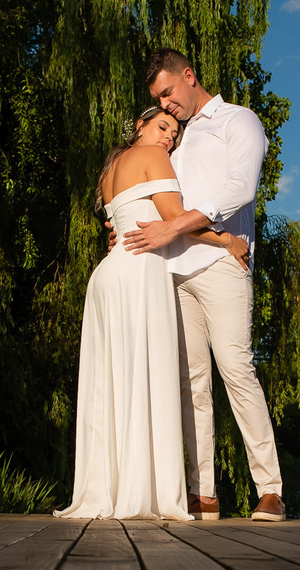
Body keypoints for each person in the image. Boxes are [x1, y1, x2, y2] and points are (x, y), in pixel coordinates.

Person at [56, 107, 248, 520]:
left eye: (175, 135)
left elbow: (128, 220)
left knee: (115, 386)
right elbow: (176, 220)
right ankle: (143, 494)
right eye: (163, 127)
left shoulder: (109, 170)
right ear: (140, 126)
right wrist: (228, 240)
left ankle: (112, 490)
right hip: (140, 275)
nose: (168, 139)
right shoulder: (151, 157)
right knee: (147, 379)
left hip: (108, 278)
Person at [123, 48, 286, 522]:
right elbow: (156, 198)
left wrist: (175, 228)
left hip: (221, 265)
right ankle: (203, 493)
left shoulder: (238, 121)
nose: (166, 105)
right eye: (158, 99)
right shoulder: (172, 140)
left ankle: (271, 489)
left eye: (168, 93)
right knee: (191, 384)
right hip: (174, 270)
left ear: (189, 77)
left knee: (237, 368)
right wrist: (128, 222)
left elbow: (241, 188)